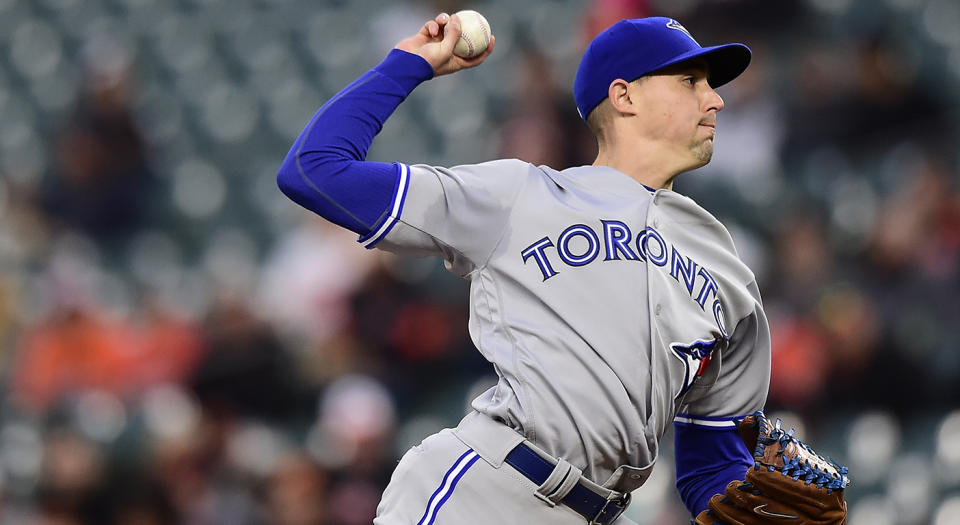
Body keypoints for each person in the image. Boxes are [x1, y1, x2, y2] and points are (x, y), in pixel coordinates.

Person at [277, 13, 769, 524]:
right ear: (624, 97)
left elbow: (711, 464)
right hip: (485, 492)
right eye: (690, 81)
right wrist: (409, 65)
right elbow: (315, 171)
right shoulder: (519, 195)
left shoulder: (727, 267)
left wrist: (752, 513)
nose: (714, 99)